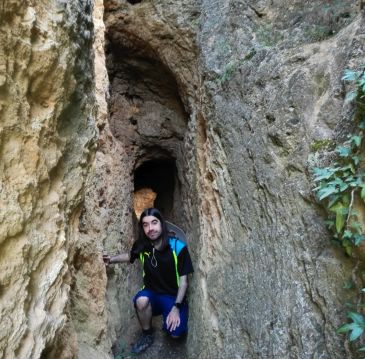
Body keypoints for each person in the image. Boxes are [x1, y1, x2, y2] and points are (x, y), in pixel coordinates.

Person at [103, 207, 194, 354]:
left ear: (161, 224)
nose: (150, 228)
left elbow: (184, 282)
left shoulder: (178, 247)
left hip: (173, 296)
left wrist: (176, 307)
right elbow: (129, 256)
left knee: (176, 333)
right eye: (145, 225)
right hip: (152, 293)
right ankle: (147, 334)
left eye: (154, 222)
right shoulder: (142, 245)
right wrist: (110, 260)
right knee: (141, 301)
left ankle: (171, 316)